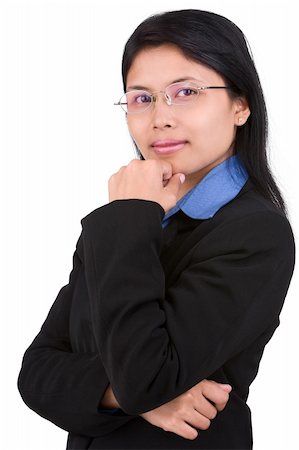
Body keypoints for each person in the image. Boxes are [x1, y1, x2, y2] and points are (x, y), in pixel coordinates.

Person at [17, 8, 295, 450]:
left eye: (185, 92)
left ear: (241, 105)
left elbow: (145, 377)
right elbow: (35, 374)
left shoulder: (255, 233)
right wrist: (123, 395)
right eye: (142, 98)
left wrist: (134, 390)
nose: (159, 117)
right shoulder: (125, 221)